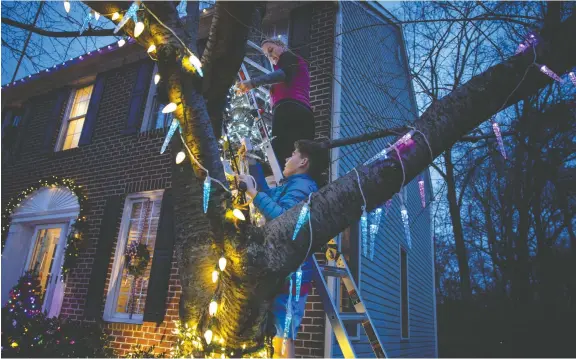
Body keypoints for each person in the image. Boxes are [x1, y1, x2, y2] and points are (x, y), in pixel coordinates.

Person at [237, 140, 328, 358]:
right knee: (279, 334)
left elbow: (282, 220)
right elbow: (269, 193)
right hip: (286, 271)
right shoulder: (294, 184)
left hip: (292, 276)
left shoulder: (302, 188)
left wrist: (253, 194)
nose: (287, 159)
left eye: (293, 154)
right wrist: (251, 163)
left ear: (303, 161)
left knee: (283, 337)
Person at [236, 38, 315, 172]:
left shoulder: (288, 57)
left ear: (281, 45)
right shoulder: (293, 69)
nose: (270, 56)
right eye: (267, 55)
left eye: (271, 50)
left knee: (280, 152)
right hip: (302, 113)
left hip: (289, 108)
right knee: (297, 158)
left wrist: (252, 83)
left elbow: (281, 75)